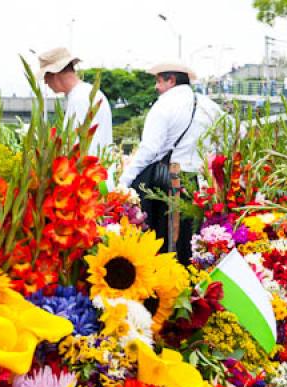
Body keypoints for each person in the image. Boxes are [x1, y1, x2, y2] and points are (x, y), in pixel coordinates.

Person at [120, 62, 223, 263]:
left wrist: (124, 181)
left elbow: (149, 149)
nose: (156, 87)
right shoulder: (208, 104)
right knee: (190, 241)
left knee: (165, 241)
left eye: (159, 81)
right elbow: (237, 132)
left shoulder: (164, 105)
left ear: (171, 80)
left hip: (166, 181)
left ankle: (167, 287)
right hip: (197, 183)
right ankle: (188, 282)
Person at [38, 47, 113, 156]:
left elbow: (78, 146)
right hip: (98, 170)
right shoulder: (87, 93)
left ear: (55, 74)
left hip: (87, 171)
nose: (45, 82)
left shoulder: (80, 99)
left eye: (45, 75)